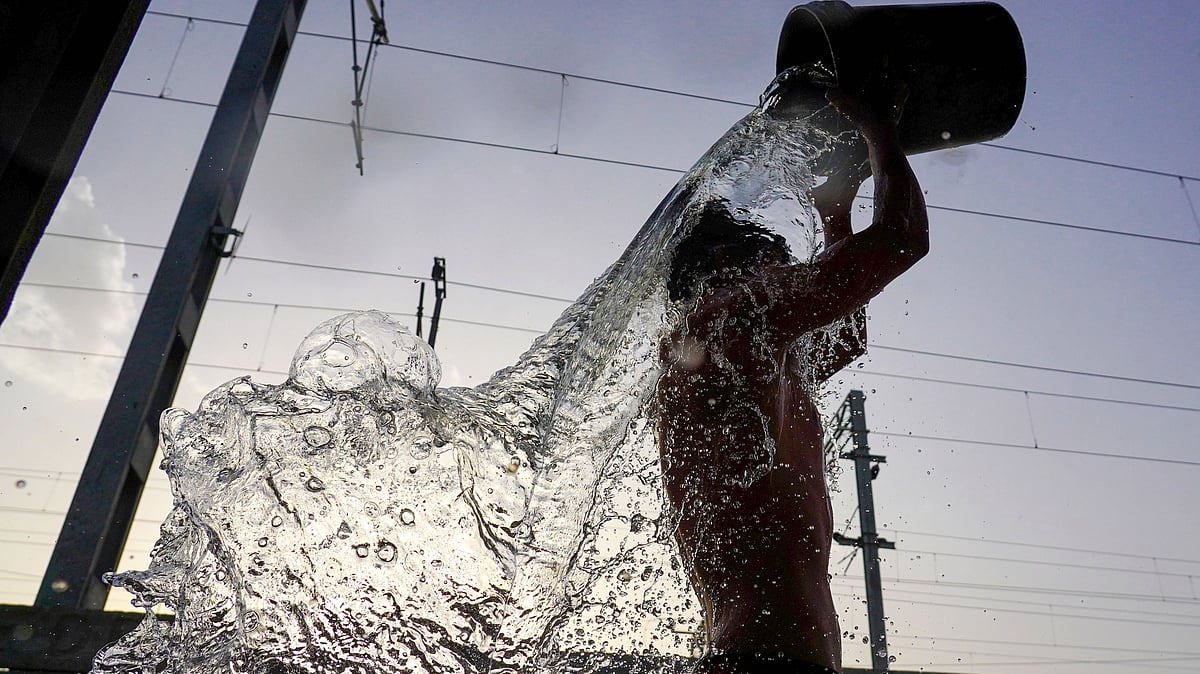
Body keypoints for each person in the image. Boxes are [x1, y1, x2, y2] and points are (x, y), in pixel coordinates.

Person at [654, 78, 929, 674]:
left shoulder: (724, 353)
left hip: (760, 656)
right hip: (769, 661)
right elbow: (904, 240)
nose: (794, 277)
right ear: (737, 267)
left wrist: (836, 213)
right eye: (783, 266)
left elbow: (847, 337)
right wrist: (880, 126)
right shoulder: (736, 314)